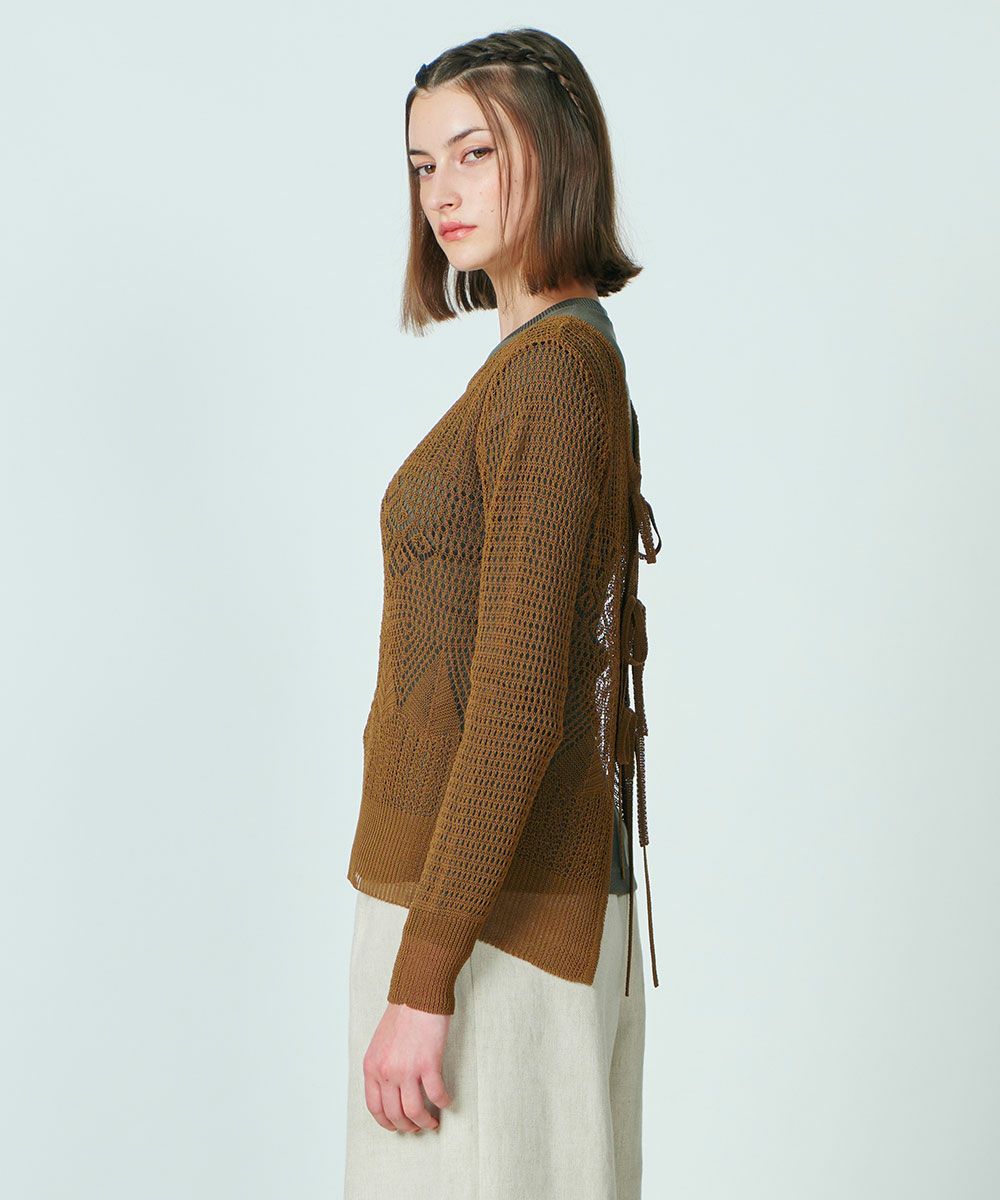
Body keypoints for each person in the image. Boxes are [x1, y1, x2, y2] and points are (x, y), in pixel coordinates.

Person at [343, 26, 662, 1200]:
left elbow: (520, 704)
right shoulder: (534, 366)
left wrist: (423, 976)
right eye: (423, 164)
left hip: (494, 928)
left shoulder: (554, 375)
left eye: (475, 153)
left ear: (559, 154)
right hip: (463, 901)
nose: (442, 191)